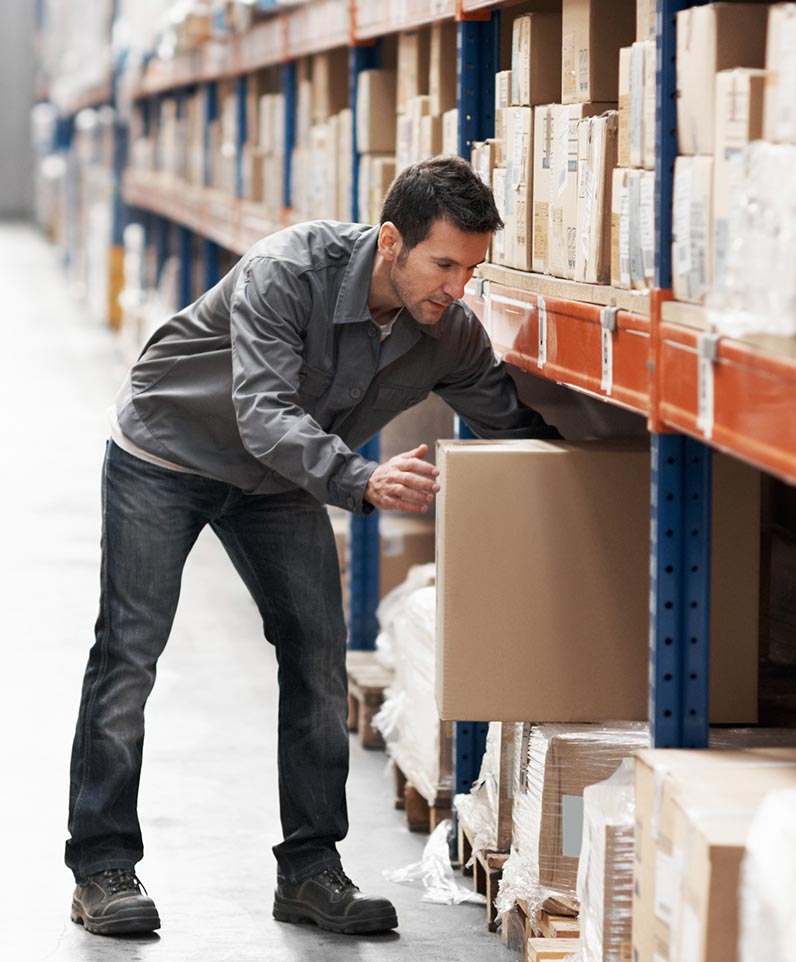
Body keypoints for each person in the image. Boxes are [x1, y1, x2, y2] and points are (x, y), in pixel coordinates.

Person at [66, 156, 557, 936]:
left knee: (318, 657)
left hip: (278, 483)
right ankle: (100, 868)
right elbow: (263, 414)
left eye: (470, 269)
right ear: (392, 242)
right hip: (168, 452)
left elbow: (512, 423)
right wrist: (360, 479)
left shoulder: (446, 331)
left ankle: (309, 871)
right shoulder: (287, 272)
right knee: (130, 651)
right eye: (444, 264)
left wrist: (596, 491)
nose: (456, 287)